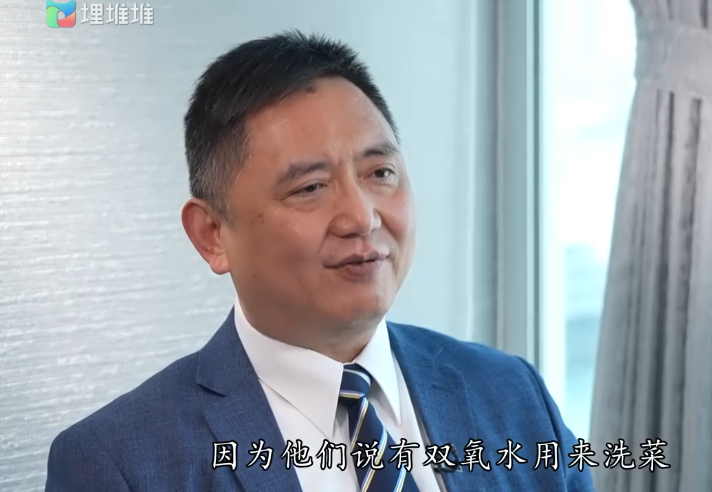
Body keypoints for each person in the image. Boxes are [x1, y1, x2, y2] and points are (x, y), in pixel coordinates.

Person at [45, 30, 595, 492]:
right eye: (310, 187)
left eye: (380, 173)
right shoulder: (119, 464)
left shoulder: (512, 392)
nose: (362, 216)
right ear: (212, 235)